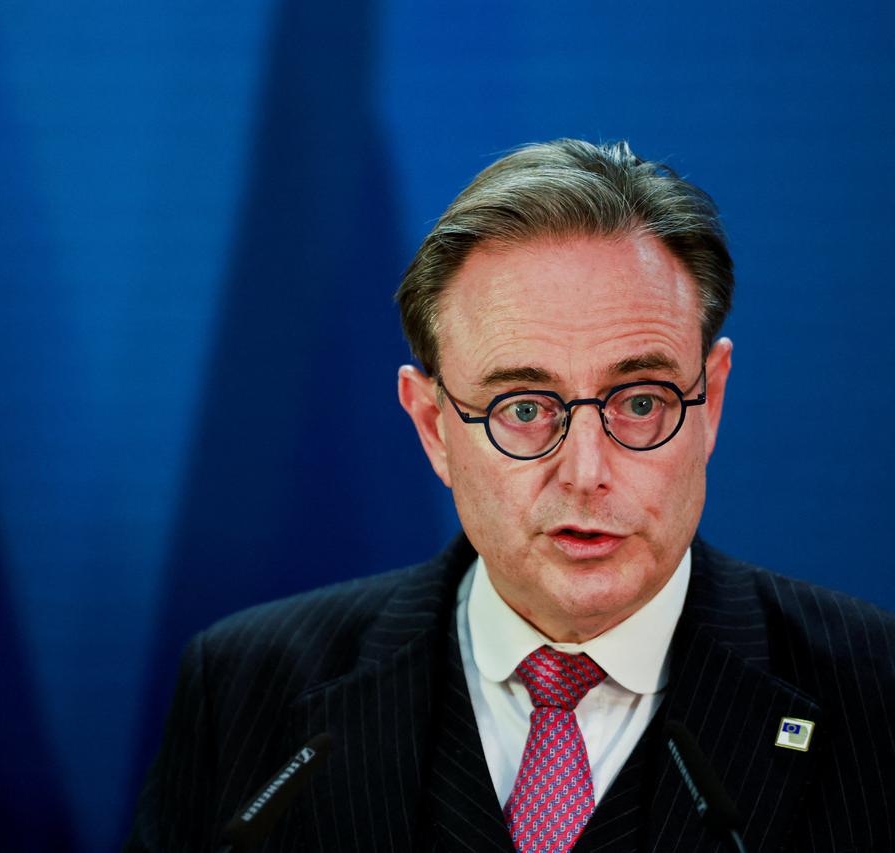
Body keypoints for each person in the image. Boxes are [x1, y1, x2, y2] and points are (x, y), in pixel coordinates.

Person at [126, 139, 895, 852]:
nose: (586, 470)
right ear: (433, 426)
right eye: (524, 409)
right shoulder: (244, 688)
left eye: (638, 401)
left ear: (711, 401)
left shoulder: (876, 690)